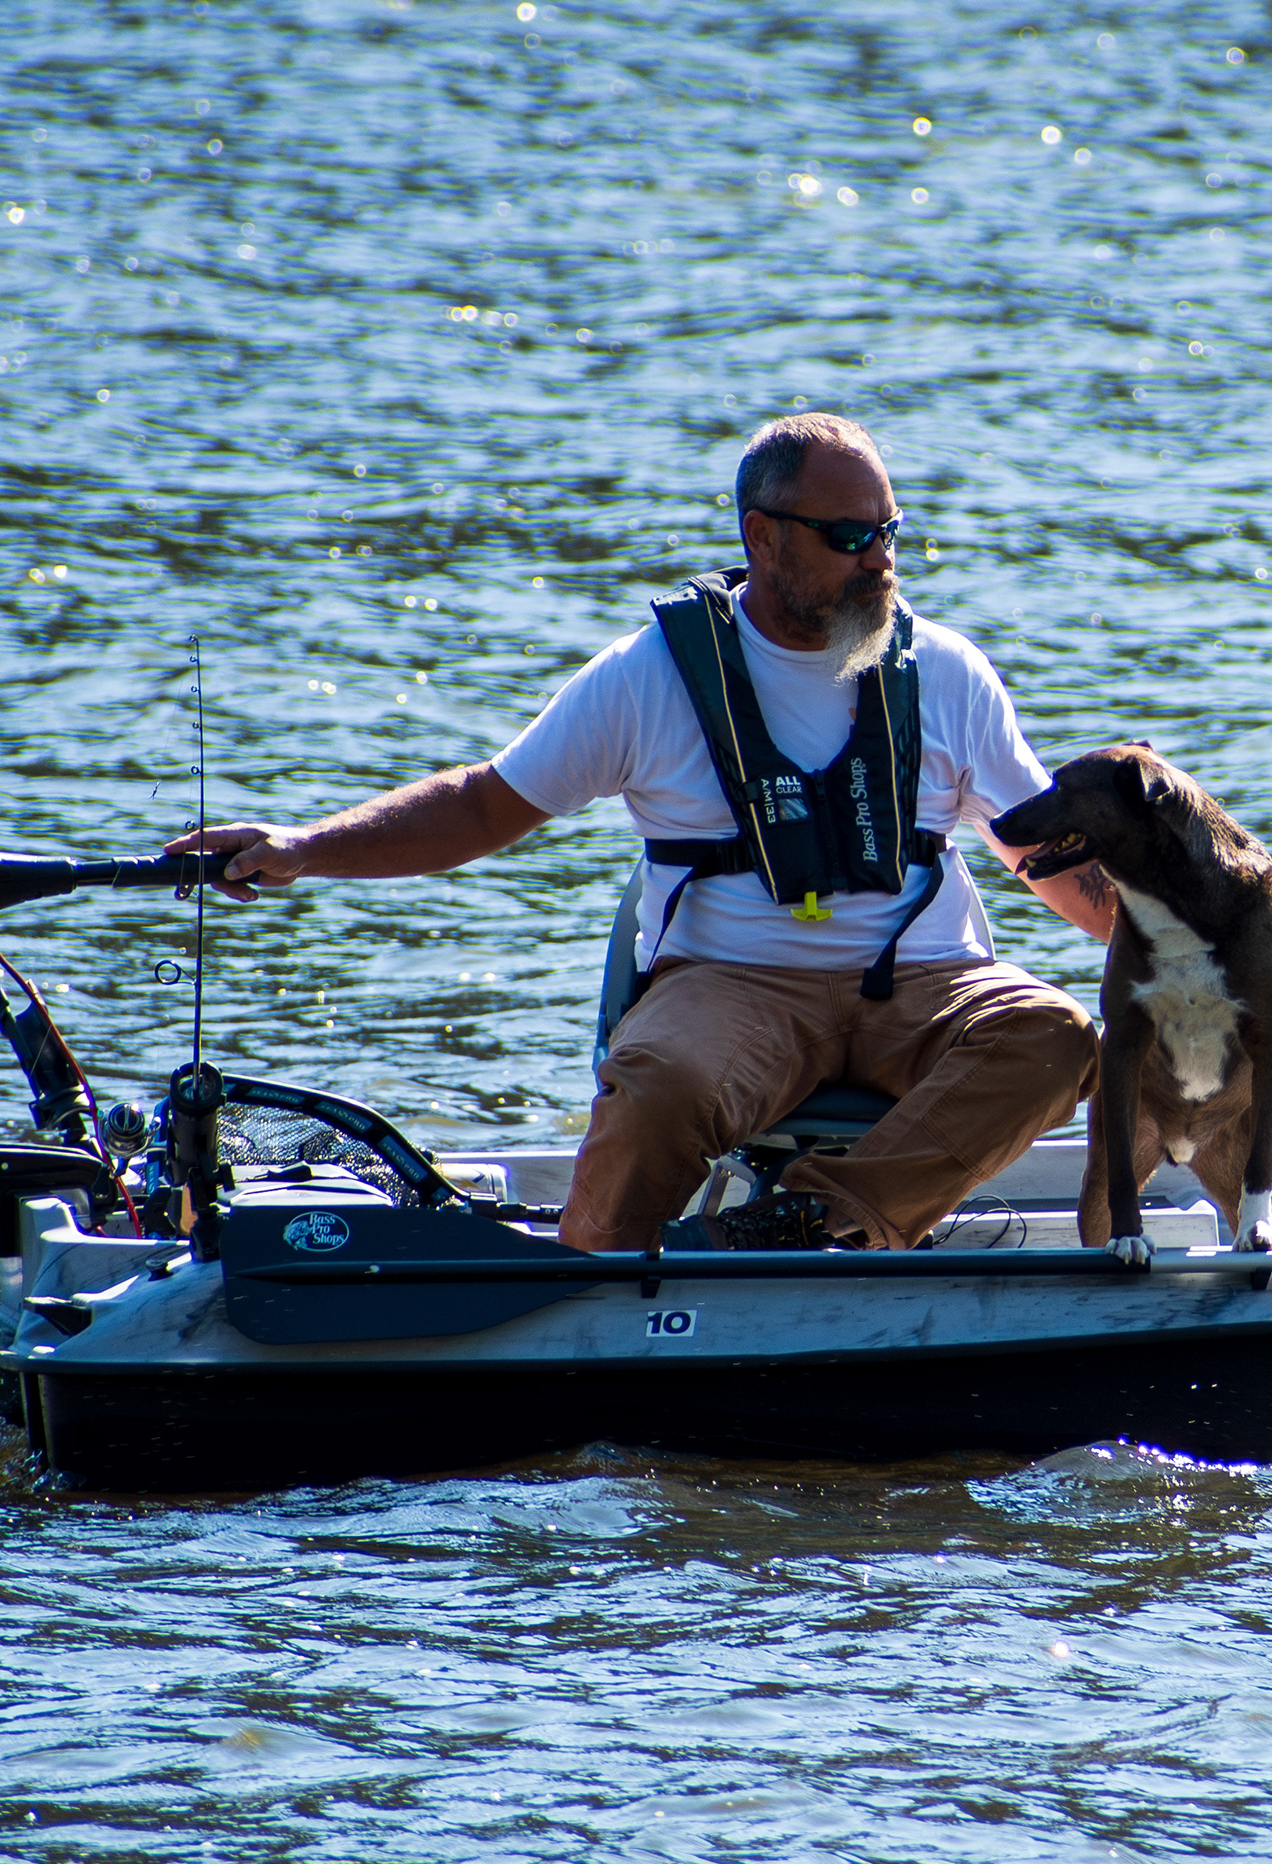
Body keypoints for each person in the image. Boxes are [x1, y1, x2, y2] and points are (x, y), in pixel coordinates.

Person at [171, 413, 1113, 1253]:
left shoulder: (948, 671)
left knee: (1055, 1035)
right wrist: (301, 847)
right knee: (656, 1083)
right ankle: (589, 1285)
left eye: (891, 534)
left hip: (927, 982)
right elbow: (481, 804)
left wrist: (1218, 942)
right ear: (763, 536)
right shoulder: (648, 676)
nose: (880, 561)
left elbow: (1056, 866)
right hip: (735, 983)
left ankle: (814, 1225)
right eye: (850, 537)